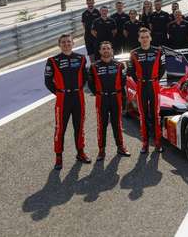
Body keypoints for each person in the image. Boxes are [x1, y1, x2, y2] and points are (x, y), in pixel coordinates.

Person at [44, 34, 91, 170]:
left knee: (79, 126)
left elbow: (85, 77)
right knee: (60, 128)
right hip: (63, 98)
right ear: (59, 45)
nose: (66, 44)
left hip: (78, 96)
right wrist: (59, 93)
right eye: (63, 42)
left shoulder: (81, 58)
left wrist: (79, 88)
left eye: (69, 42)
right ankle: (58, 156)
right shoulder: (53, 60)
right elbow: (48, 81)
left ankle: (80, 152)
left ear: (73, 43)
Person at [90, 41, 131, 160]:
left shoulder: (119, 65)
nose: (106, 50)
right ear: (100, 51)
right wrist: (98, 93)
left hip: (115, 97)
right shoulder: (94, 66)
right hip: (102, 98)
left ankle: (120, 147)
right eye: (103, 49)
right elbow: (91, 84)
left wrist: (122, 98)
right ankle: (101, 150)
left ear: (112, 51)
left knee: (117, 123)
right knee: (101, 124)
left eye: (108, 48)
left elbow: (123, 82)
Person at [128, 28, 166, 154]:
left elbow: (162, 68)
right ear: (139, 39)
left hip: (154, 85)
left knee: (155, 114)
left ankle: (158, 142)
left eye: (146, 37)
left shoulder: (158, 51)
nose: (144, 39)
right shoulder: (134, 53)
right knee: (143, 115)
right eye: (142, 37)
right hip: (141, 86)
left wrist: (154, 80)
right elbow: (131, 71)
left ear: (150, 38)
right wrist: (140, 81)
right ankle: (145, 143)